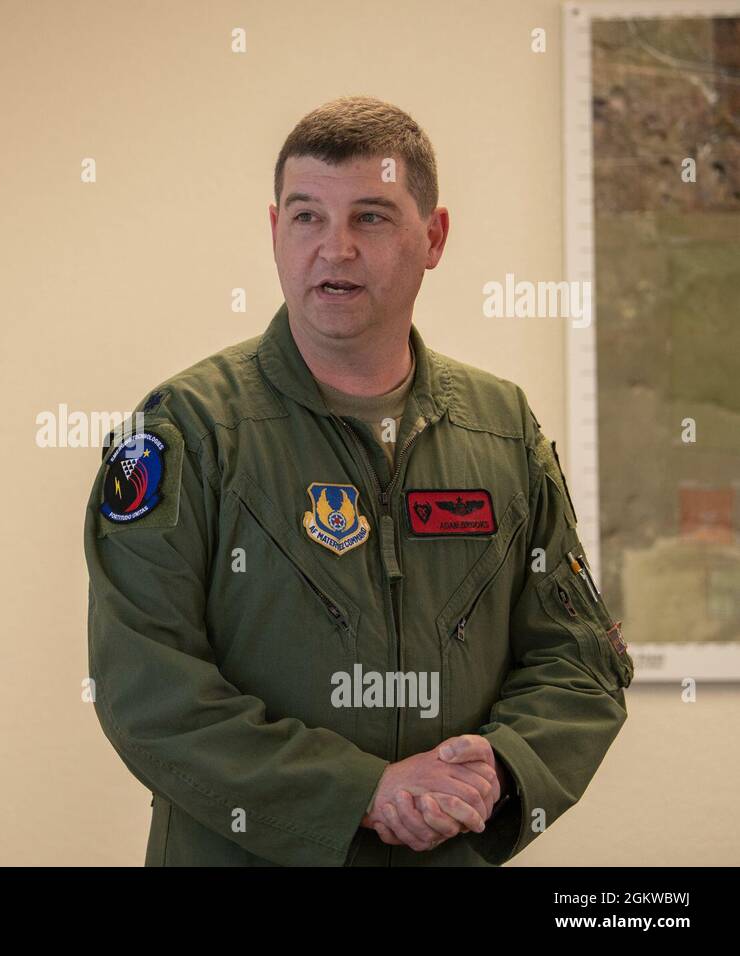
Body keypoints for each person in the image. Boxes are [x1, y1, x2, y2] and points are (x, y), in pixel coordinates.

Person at [83, 95, 633, 866]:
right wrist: (360, 794)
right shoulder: (185, 432)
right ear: (275, 230)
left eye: (371, 218)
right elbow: (150, 692)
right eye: (308, 217)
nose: (334, 249)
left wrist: (501, 769)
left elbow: (578, 659)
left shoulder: (501, 430)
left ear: (434, 237)